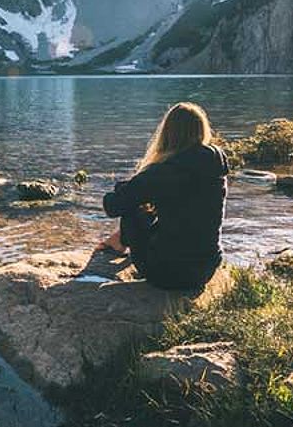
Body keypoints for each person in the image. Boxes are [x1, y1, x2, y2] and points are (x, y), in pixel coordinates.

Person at [97, 102, 228, 290]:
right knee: (158, 207)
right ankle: (119, 240)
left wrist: (124, 188)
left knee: (133, 206)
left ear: (167, 133)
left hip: (167, 272)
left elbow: (112, 206)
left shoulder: (164, 171)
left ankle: (118, 243)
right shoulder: (214, 165)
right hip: (206, 268)